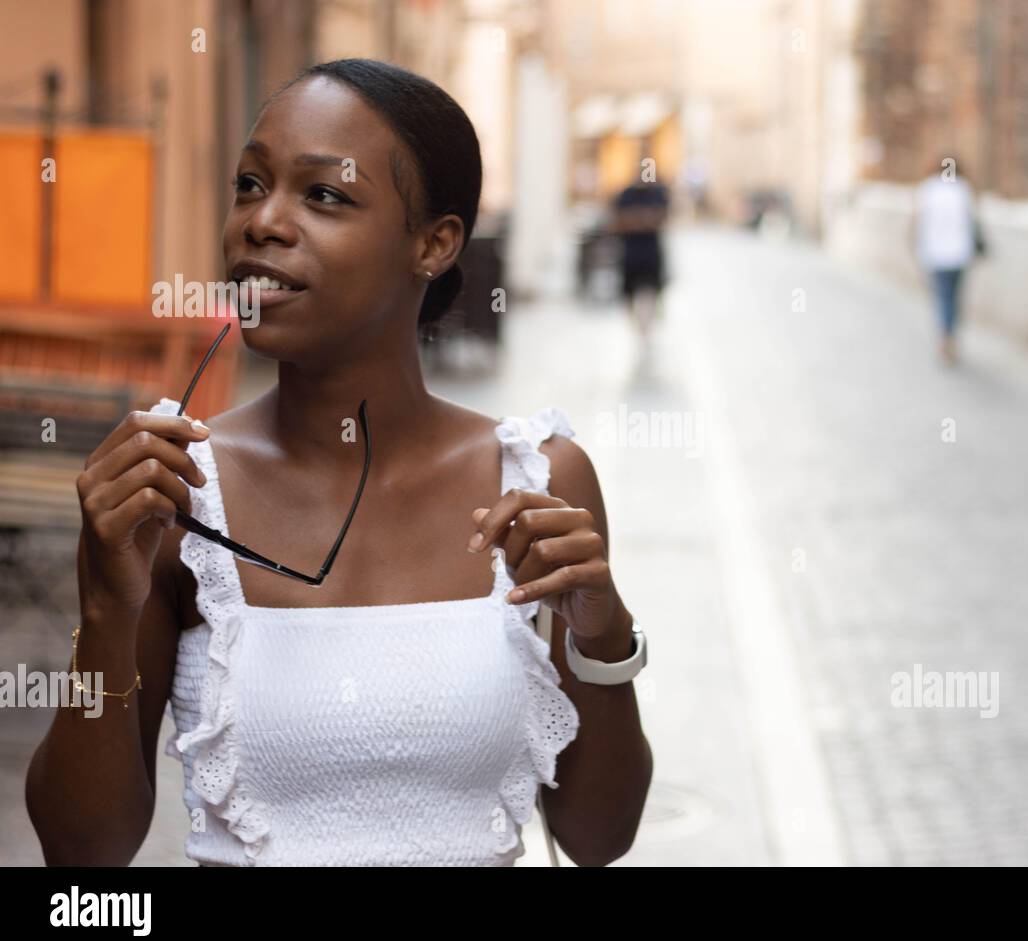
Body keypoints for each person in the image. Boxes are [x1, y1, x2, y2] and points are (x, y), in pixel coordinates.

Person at [26, 59, 653, 867]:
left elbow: (599, 839)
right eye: (250, 186)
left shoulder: (538, 479)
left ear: (434, 243)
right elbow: (83, 854)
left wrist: (603, 634)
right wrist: (107, 608)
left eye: (324, 196)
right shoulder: (176, 493)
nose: (262, 222)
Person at [910, 158, 980, 366]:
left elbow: (918, 221)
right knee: (954, 297)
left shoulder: (928, 189)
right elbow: (972, 220)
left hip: (936, 254)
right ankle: (950, 335)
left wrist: (916, 247)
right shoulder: (963, 189)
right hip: (959, 255)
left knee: (943, 297)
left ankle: (945, 336)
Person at [611, 163, 670, 346]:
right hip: (631, 255)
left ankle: (646, 330)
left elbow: (660, 219)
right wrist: (643, 220)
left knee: (650, 292)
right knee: (631, 292)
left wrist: (638, 220)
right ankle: (637, 328)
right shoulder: (626, 195)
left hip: (650, 255)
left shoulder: (657, 194)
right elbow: (620, 221)